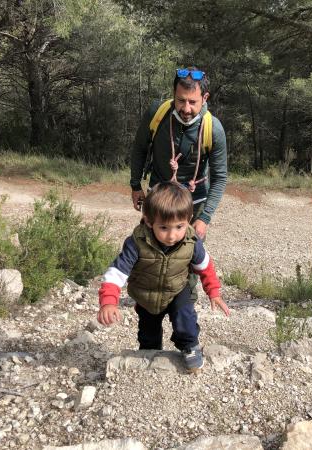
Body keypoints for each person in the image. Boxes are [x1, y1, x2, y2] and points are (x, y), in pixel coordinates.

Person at [97, 182, 230, 373]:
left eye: (179, 226)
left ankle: (189, 346)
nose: (172, 235)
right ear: (150, 221)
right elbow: (116, 273)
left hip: (177, 288)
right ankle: (150, 353)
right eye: (164, 228)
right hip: (146, 293)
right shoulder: (137, 243)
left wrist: (214, 292)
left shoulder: (192, 242)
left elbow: (205, 266)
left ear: (188, 219)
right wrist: (108, 302)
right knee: (148, 331)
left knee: (185, 316)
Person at [129, 66, 227, 241]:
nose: (186, 109)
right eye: (181, 100)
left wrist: (204, 218)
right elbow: (139, 148)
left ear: (205, 98)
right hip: (158, 195)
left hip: (194, 201)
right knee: (147, 249)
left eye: (192, 102)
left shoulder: (214, 128)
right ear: (174, 93)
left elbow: (219, 177)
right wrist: (135, 185)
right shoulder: (157, 113)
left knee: (190, 256)